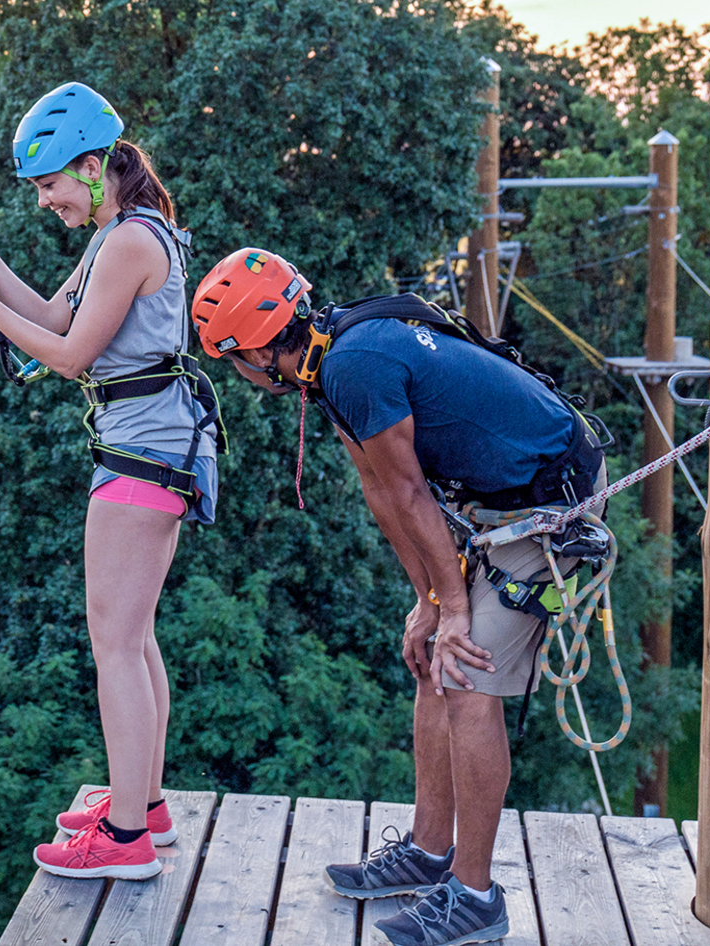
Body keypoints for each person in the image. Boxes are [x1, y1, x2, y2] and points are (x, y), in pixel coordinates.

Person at [190, 248, 608, 946]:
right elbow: (383, 492)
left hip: (550, 506)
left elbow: (411, 493)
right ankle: (426, 849)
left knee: (467, 674)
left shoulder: (354, 366)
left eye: (233, 360)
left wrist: (460, 611)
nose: (238, 375)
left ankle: (475, 899)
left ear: (258, 350)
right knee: (430, 661)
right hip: (500, 507)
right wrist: (429, 603)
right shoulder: (332, 367)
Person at [0, 82, 223, 881]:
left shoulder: (128, 242)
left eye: (50, 183)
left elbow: (64, 358)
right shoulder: (116, 236)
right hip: (149, 449)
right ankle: (146, 805)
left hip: (143, 455)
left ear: (93, 167)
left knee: (115, 648)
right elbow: (57, 318)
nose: (44, 201)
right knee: (135, 640)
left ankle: (126, 841)